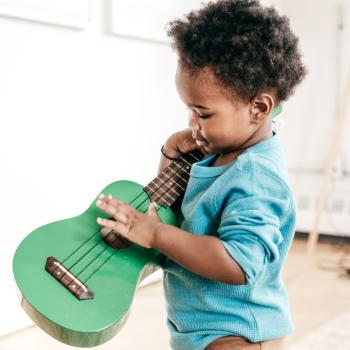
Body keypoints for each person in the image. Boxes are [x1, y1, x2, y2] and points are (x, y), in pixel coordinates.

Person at [96, 0, 306, 349]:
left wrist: (156, 235)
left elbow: (238, 263)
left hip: (238, 332)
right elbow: (182, 212)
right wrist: (169, 158)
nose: (192, 124)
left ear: (259, 108)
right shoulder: (219, 153)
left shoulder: (256, 175)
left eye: (203, 114)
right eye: (189, 110)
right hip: (199, 326)